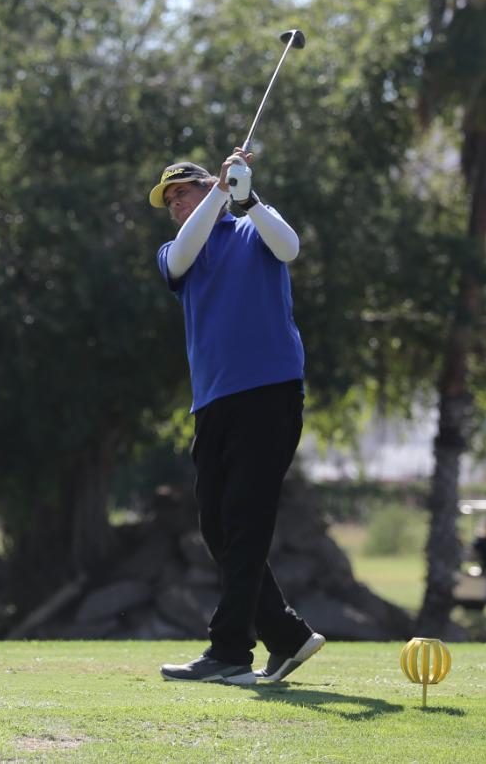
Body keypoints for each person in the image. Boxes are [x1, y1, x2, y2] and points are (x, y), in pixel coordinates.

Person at [149, 149, 326, 686]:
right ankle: (288, 636)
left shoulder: (255, 229)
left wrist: (246, 198)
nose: (178, 205)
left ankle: (228, 650)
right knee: (215, 524)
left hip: (269, 392)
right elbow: (180, 257)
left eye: (186, 193)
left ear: (210, 188)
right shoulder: (177, 251)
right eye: (171, 200)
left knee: (246, 521)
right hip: (213, 400)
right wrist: (222, 193)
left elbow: (290, 246)